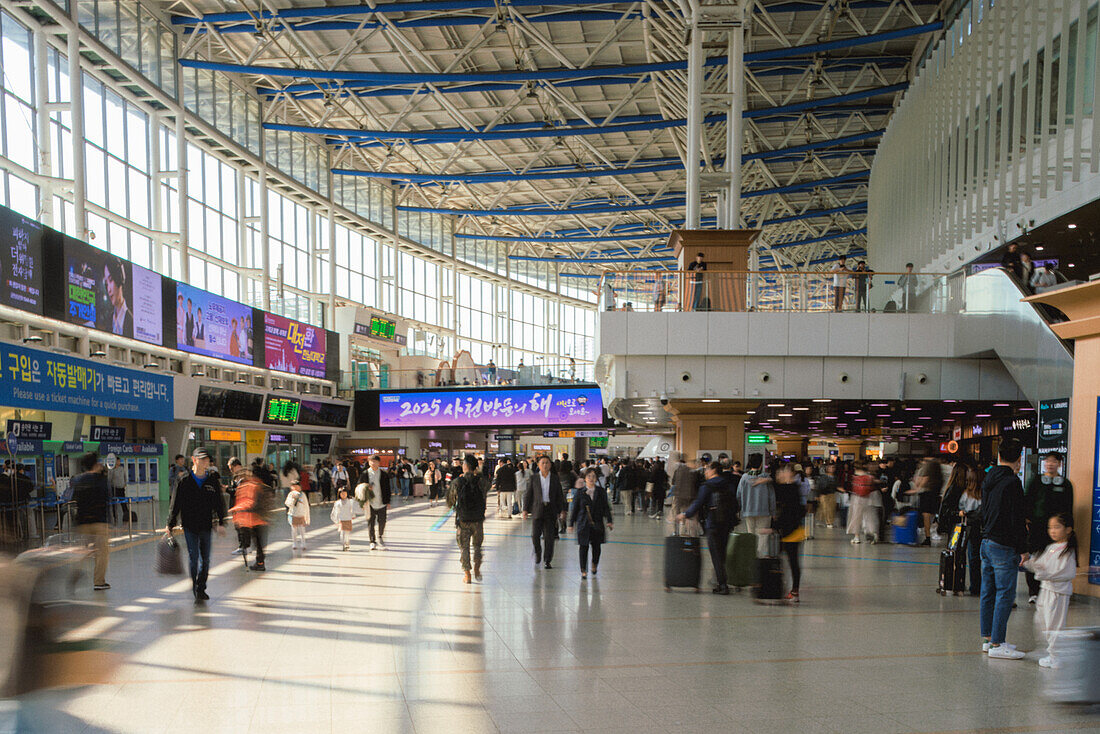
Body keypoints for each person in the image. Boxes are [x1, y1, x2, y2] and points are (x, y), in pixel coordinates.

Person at [979, 437, 1029, 659]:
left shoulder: (989, 477)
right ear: (1019, 460)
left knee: (988, 592)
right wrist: (1023, 548)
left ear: (999, 456)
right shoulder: (1013, 483)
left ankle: (988, 639)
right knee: (1005, 594)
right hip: (1003, 544)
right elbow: (1016, 520)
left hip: (986, 541)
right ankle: (999, 645)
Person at [165, 448, 227, 603]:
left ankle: (201, 587)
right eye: (202, 459)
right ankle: (195, 585)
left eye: (207, 459)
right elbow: (175, 503)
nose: (206, 462)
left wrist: (221, 522)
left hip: (206, 524)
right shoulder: (184, 480)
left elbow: (219, 503)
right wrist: (170, 524)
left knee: (205, 560)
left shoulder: (211, 480)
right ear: (194, 459)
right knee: (194, 558)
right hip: (190, 525)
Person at [1021, 513, 1077, 668]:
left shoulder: (1068, 551)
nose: (1052, 531)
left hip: (1058, 593)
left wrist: (1043, 573)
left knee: (1055, 624)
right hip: (1045, 590)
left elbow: (1066, 573)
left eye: (1057, 527)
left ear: (1068, 530)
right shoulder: (1051, 547)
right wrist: (1030, 564)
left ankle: (1055, 655)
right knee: (1042, 621)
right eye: (1050, 527)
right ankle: (1046, 650)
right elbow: (1041, 564)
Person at [677, 462, 737, 594]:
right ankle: (720, 582)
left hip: (713, 523)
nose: (705, 472)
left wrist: (685, 514)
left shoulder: (707, 486)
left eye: (707, 470)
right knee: (722, 554)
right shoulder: (728, 483)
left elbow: (699, 502)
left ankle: (722, 585)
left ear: (713, 470)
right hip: (727, 523)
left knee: (716, 555)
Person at [1023, 452, 1074, 604]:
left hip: (1058, 529)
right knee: (1036, 557)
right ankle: (1033, 591)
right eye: (1048, 461)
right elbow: (1028, 501)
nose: (1050, 464)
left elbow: (1068, 507)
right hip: (1038, 527)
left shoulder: (1065, 484)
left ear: (1059, 464)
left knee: (1054, 557)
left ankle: (1049, 589)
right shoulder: (1036, 481)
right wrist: (1027, 520)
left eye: (1054, 461)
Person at [71, 452, 111, 591]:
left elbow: (73, 498)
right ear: (96, 464)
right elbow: (107, 498)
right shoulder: (101, 480)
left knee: (82, 551)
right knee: (101, 553)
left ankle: (76, 571)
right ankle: (99, 582)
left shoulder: (77, 480)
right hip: (99, 521)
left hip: (82, 521)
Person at [569, 468, 614, 579]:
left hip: (597, 523)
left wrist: (609, 521)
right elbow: (574, 509)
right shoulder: (580, 493)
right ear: (584, 478)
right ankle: (583, 569)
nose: (591, 478)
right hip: (583, 523)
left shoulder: (601, 491)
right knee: (583, 547)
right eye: (589, 476)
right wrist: (570, 523)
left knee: (596, 546)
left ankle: (594, 564)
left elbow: (606, 508)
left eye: (593, 476)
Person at [772, 463, 808, 603]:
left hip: (792, 531)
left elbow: (790, 512)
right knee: (784, 559)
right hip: (788, 530)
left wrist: (775, 525)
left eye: (783, 471)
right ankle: (783, 588)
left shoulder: (791, 488)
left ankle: (794, 591)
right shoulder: (789, 488)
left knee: (792, 561)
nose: (780, 474)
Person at [523, 455, 566, 569]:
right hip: (537, 509)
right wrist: (525, 509)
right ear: (538, 465)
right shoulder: (534, 478)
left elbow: (559, 495)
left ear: (550, 465)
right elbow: (528, 494)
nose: (545, 465)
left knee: (549, 537)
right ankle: (538, 552)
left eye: (547, 463)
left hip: (550, 510)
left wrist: (562, 510)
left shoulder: (555, 478)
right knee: (535, 535)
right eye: (543, 463)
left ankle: (547, 560)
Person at [450, 454, 486, 583]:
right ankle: (477, 567)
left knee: (464, 547)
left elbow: (451, 501)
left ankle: (467, 574)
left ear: (465, 466)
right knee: (477, 546)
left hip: (463, 520)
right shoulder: (481, 481)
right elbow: (486, 493)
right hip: (478, 520)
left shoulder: (457, 482)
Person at [230, 467, 269, 570]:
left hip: (253, 519)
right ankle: (260, 562)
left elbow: (249, 503)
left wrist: (237, 511)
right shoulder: (255, 484)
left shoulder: (249, 486)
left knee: (258, 542)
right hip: (256, 519)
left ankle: (260, 563)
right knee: (258, 542)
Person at [736, 453, 774, 557]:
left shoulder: (744, 478)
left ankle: (752, 555)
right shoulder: (766, 478)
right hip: (764, 511)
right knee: (762, 535)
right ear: (761, 464)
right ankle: (762, 557)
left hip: (748, 511)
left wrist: (739, 509)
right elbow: (771, 496)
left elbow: (738, 495)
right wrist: (773, 511)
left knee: (751, 534)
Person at [958, 465, 983, 595]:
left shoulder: (966, 494)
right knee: (983, 558)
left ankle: (975, 586)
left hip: (970, 528)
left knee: (972, 557)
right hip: (983, 529)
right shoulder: (985, 494)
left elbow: (961, 508)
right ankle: (984, 586)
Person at [908, 456, 943, 545]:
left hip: (926, 494)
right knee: (932, 515)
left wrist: (917, 489)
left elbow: (923, 479)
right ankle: (933, 532)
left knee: (925, 515)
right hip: (936, 493)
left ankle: (928, 537)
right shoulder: (938, 467)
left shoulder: (927, 467)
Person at [360, 454, 392, 550]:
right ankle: (372, 541)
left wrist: (388, 501)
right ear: (369, 463)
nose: (373, 463)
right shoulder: (365, 474)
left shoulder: (384, 474)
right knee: (371, 522)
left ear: (379, 463)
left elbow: (387, 488)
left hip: (381, 501)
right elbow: (359, 486)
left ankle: (380, 536)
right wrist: (366, 487)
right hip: (370, 502)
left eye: (375, 461)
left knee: (382, 521)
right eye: (371, 461)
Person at [846, 462, 881, 544]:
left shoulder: (855, 475)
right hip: (870, 498)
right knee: (870, 517)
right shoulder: (869, 476)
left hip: (857, 498)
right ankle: (872, 533)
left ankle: (856, 537)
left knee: (856, 517)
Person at [671, 454, 700, 536]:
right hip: (690, 498)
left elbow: (674, 483)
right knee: (689, 516)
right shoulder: (694, 473)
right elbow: (696, 486)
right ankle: (691, 533)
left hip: (679, 497)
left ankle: (676, 532)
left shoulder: (678, 471)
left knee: (677, 515)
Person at [102, 257, 133, 336]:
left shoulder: (131, 322)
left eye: (111, 280)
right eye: (106, 283)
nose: (108, 289)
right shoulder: (108, 321)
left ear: (119, 278)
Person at [226, 457, 248, 555]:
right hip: (236, 506)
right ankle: (243, 546)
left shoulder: (244, 477)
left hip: (241, 506)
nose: (231, 471)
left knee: (241, 527)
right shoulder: (237, 477)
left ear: (236, 466)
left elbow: (239, 492)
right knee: (238, 527)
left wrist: (226, 489)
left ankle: (243, 546)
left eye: (231, 468)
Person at [284, 479, 310, 550]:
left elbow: (306, 506)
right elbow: (287, 503)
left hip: (301, 514)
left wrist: (307, 517)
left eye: (296, 486)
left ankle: (303, 543)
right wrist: (292, 500)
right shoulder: (290, 494)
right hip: (293, 514)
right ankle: (294, 543)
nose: (295, 488)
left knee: (302, 530)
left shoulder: (303, 495)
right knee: (294, 530)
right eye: (293, 486)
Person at [330, 487, 356, 551]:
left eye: (345, 493)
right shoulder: (338, 503)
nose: (343, 495)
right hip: (341, 519)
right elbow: (335, 511)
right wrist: (336, 519)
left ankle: (347, 543)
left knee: (347, 533)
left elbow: (352, 509)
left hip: (348, 518)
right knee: (342, 532)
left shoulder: (350, 501)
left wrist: (353, 515)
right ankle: (343, 544)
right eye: (342, 493)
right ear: (339, 494)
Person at [106, 453, 127, 525]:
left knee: (123, 502)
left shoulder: (122, 468)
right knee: (114, 503)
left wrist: (125, 484)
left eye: (119, 461)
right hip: (114, 488)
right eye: (118, 461)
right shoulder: (112, 470)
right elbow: (109, 479)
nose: (119, 462)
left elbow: (125, 476)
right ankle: (115, 517)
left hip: (121, 488)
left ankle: (126, 515)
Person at [815, 463, 838, 527]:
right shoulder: (823, 477)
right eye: (830, 467)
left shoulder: (835, 477)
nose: (832, 469)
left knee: (830, 508)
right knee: (825, 508)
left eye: (833, 467)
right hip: (824, 494)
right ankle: (828, 522)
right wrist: (817, 495)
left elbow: (836, 486)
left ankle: (825, 521)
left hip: (832, 494)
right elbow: (819, 486)